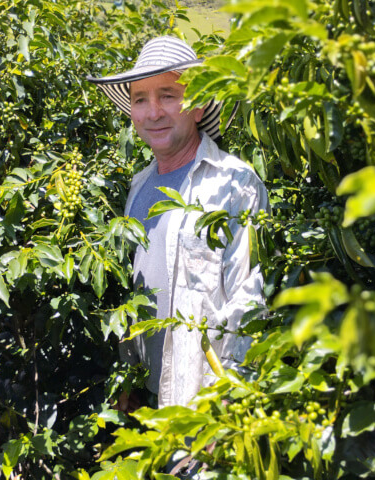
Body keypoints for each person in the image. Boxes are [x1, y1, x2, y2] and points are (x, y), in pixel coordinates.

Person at [87, 36, 269, 409]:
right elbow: (135, 288)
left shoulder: (235, 184)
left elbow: (250, 301)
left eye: (167, 95)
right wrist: (129, 380)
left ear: (198, 105)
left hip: (203, 403)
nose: (153, 112)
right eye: (141, 99)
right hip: (147, 400)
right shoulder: (138, 186)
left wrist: (228, 405)